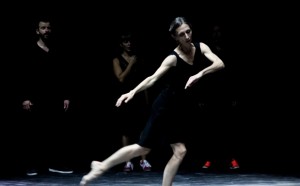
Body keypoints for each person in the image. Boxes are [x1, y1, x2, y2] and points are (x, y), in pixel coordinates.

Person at [80, 16, 225, 186]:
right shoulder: (173, 58)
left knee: (180, 151)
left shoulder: (200, 47)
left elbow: (219, 63)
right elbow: (152, 78)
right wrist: (132, 92)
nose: (187, 36)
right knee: (143, 148)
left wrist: (199, 74)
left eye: (188, 31)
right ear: (175, 37)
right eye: (181, 34)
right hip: (164, 107)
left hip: (178, 109)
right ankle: (100, 167)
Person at [20, 15, 74, 176]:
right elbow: (23, 75)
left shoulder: (57, 50)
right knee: (35, 132)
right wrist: (25, 97)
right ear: (37, 30)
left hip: (54, 97)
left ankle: (55, 163)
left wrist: (66, 96)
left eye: (48, 27)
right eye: (43, 27)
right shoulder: (29, 50)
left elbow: (63, 75)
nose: (46, 30)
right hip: (36, 98)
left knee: (55, 132)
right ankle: (33, 165)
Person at [200, 24, 240, 170]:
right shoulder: (206, 52)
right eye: (214, 32)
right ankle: (209, 159)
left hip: (225, 95)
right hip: (211, 95)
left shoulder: (229, 52)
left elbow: (234, 75)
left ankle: (231, 159)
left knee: (227, 128)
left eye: (219, 32)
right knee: (210, 129)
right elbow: (203, 75)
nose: (217, 35)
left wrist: (234, 95)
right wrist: (202, 97)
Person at [112, 31, 152, 172]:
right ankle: (127, 162)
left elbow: (144, 81)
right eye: (126, 42)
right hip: (125, 98)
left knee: (142, 130)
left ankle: (143, 161)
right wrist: (131, 64)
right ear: (121, 44)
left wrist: (147, 100)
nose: (129, 44)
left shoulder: (139, 59)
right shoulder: (117, 59)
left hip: (139, 97)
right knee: (126, 131)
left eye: (130, 41)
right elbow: (121, 78)